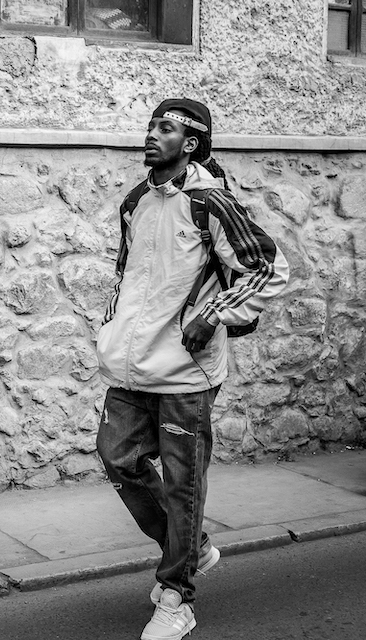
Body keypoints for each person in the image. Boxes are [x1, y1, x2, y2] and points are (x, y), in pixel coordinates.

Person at [95, 99, 289, 640]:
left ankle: (177, 597)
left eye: (167, 129)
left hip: (185, 374)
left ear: (192, 144)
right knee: (118, 459)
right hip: (132, 369)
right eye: (152, 125)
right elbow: (126, 277)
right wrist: (110, 332)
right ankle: (194, 548)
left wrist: (216, 314)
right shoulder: (137, 201)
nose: (152, 135)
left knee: (183, 488)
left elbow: (268, 268)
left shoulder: (209, 203)